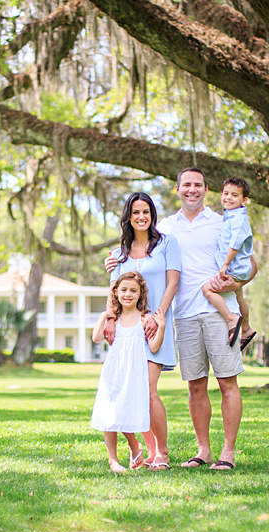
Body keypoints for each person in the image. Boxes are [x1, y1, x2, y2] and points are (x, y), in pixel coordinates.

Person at [119, 167, 254, 471]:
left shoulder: (223, 222)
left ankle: (228, 453)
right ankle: (203, 451)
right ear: (177, 190)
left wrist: (236, 283)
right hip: (184, 315)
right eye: (186, 185)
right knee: (195, 386)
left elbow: (251, 263)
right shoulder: (165, 228)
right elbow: (141, 255)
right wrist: (116, 258)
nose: (192, 189)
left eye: (198, 185)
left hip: (219, 312)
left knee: (227, 383)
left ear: (206, 190)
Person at [107, 192, 180, 471]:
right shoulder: (119, 254)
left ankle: (161, 452)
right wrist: (111, 319)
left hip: (154, 328)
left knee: (148, 390)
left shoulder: (166, 244)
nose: (141, 217)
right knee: (129, 390)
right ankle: (143, 450)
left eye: (146, 211)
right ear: (129, 216)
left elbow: (172, 283)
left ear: (152, 215)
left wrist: (157, 316)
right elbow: (113, 291)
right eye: (136, 212)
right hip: (127, 331)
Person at [90, 272, 166, 473]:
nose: (128, 294)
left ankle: (136, 446)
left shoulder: (145, 319)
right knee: (110, 413)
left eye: (133, 290)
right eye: (123, 290)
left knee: (128, 410)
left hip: (135, 373)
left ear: (141, 294)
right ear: (115, 292)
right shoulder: (113, 318)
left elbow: (155, 347)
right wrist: (103, 316)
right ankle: (113, 460)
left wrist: (162, 326)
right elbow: (97, 338)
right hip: (114, 372)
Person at [201, 177, 256, 350]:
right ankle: (246, 329)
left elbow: (235, 245)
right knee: (239, 296)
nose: (228, 198)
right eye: (225, 193)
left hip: (234, 268)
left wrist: (224, 266)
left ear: (244, 200)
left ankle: (231, 318)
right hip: (236, 268)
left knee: (207, 289)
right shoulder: (230, 216)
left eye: (234, 195)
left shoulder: (239, 219)